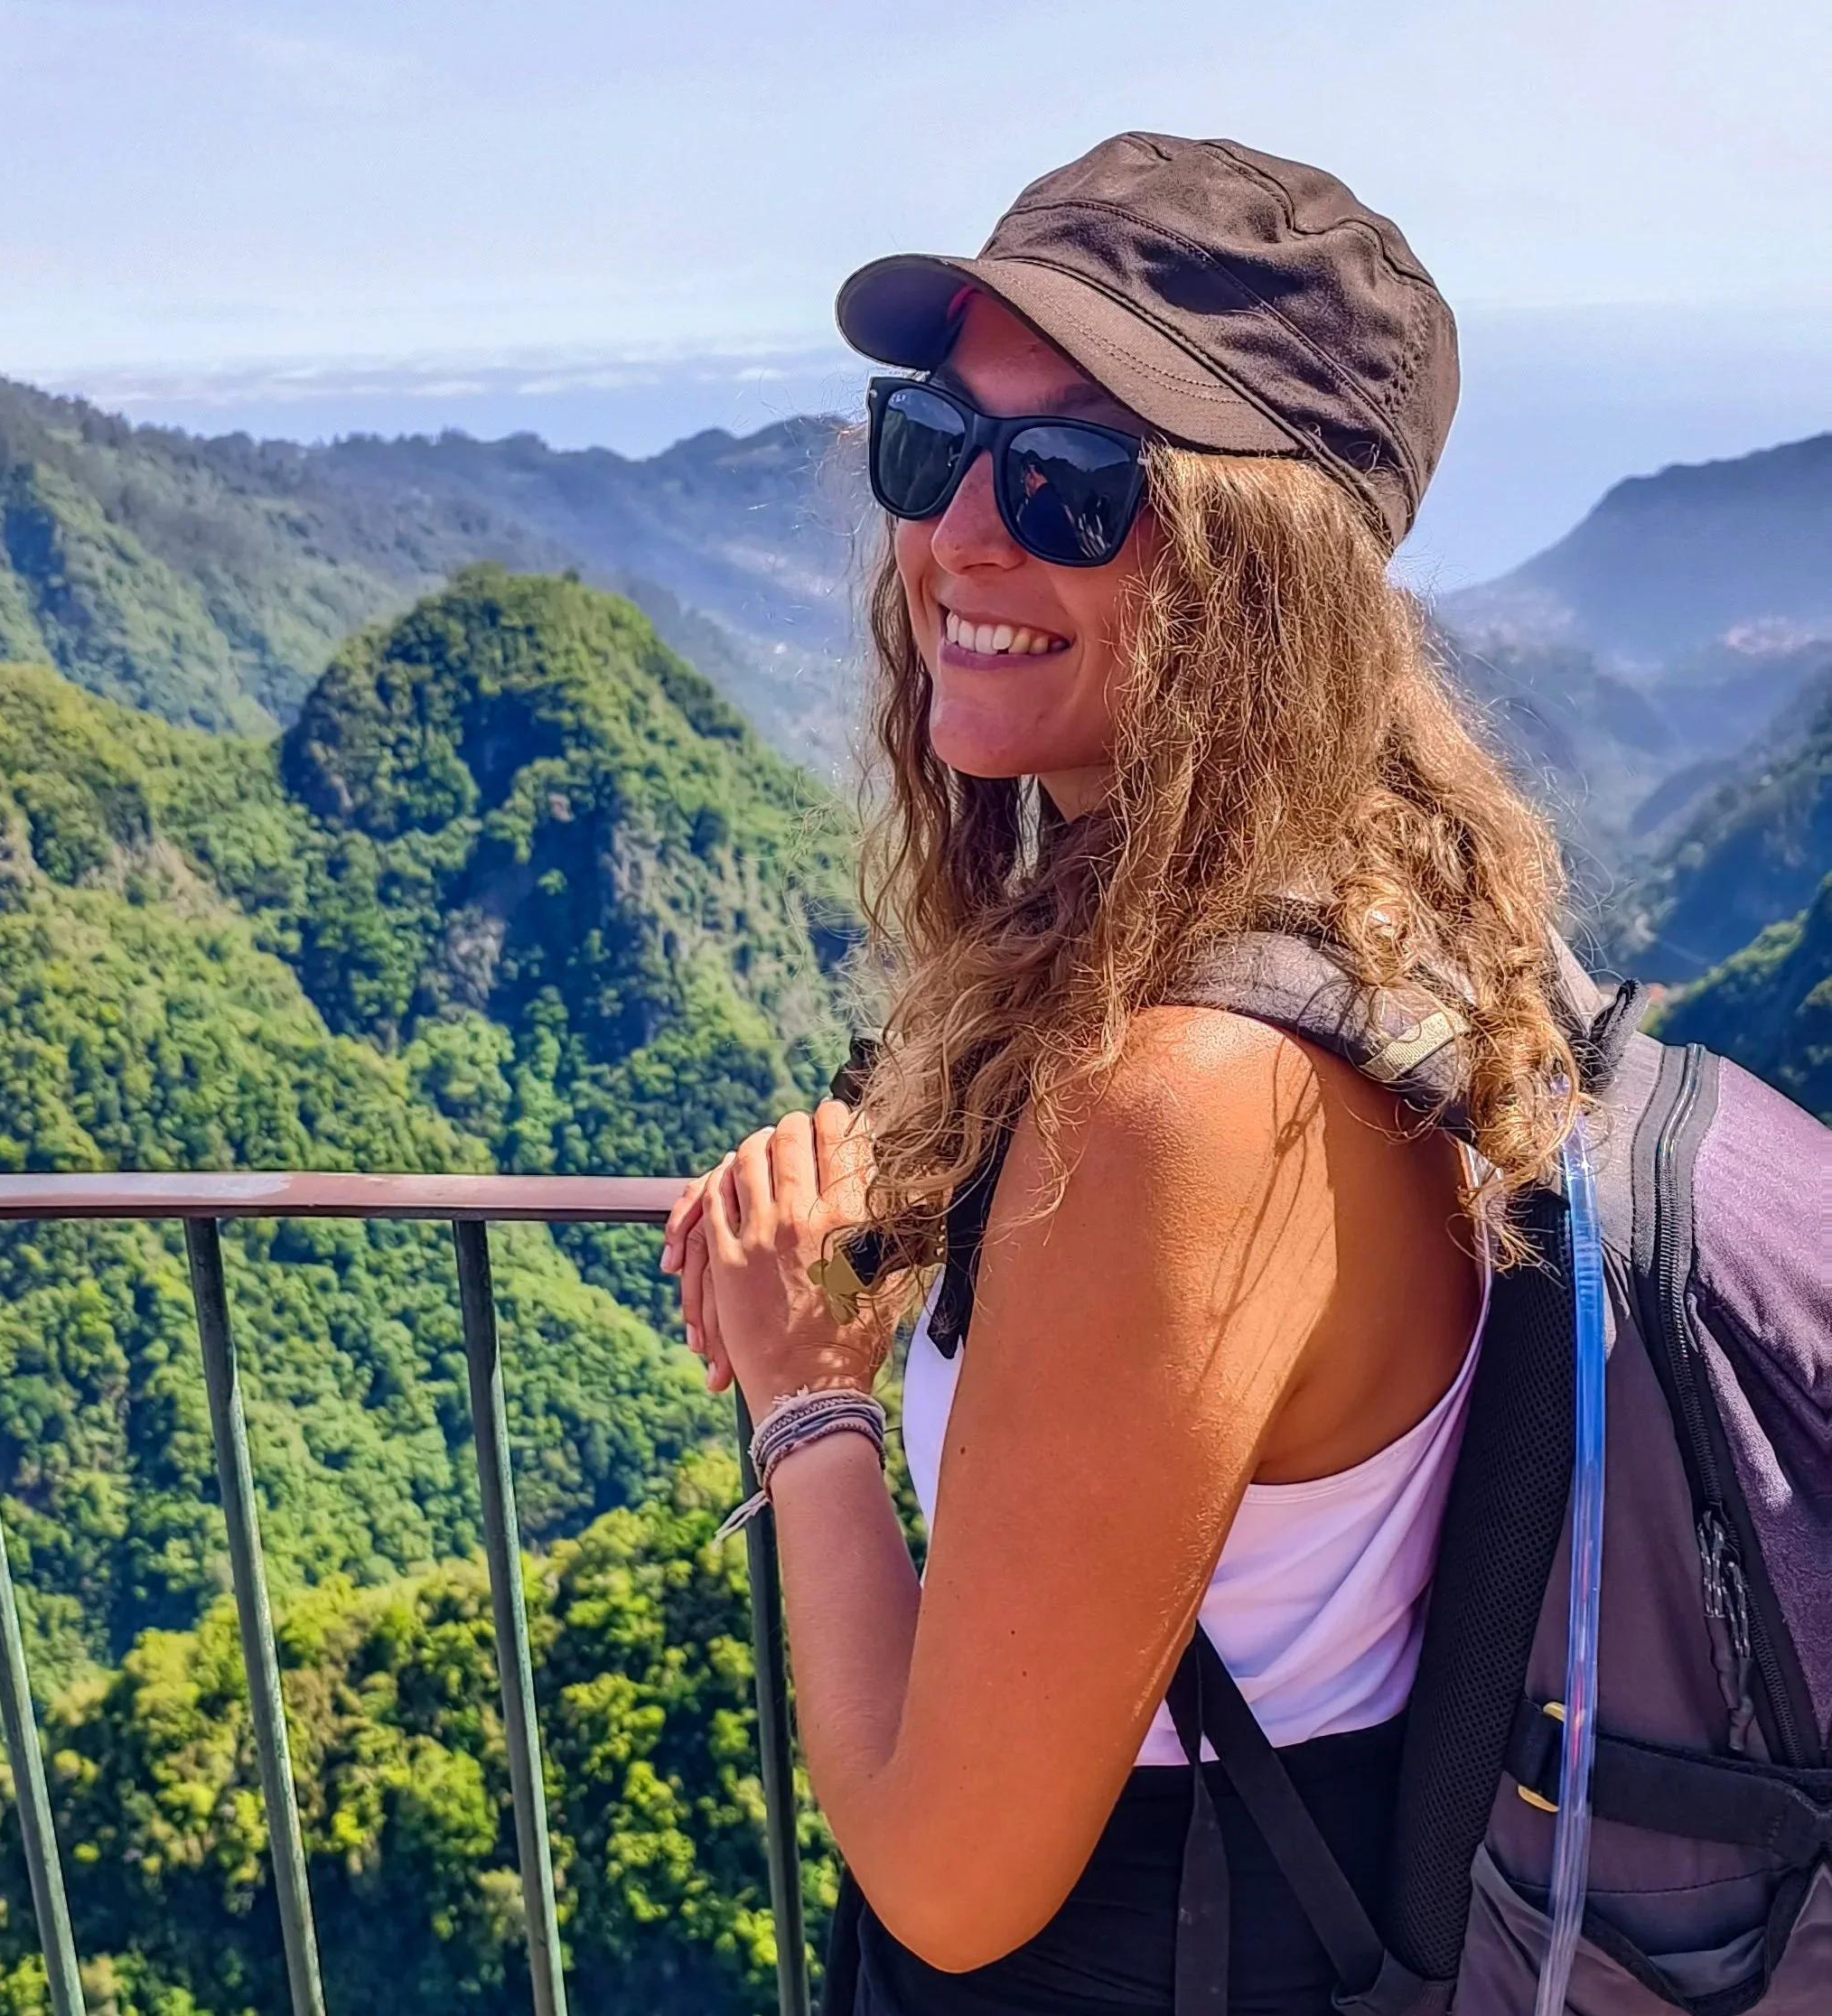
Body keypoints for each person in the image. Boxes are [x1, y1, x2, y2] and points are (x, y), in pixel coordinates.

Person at [660, 134, 1580, 2015]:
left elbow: (950, 1884)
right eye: (933, 441)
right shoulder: (1368, 927)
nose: (960, 537)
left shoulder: (1185, 1099)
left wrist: (810, 1395)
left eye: (1077, 484)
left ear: (1269, 577)